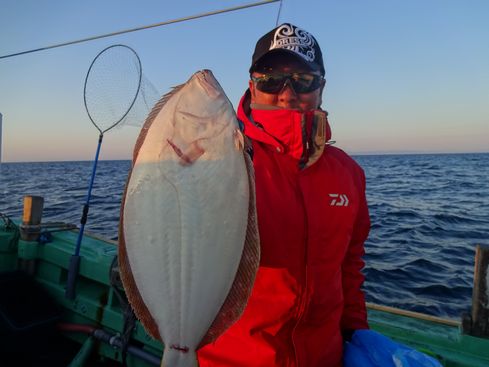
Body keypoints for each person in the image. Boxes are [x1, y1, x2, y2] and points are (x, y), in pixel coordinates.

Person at [198, 23, 370, 367]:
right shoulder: (217, 160)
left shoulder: (348, 173)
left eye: (304, 80)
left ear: (321, 89)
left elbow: (349, 265)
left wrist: (356, 333)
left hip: (326, 357)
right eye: (271, 78)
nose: (287, 94)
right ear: (252, 86)